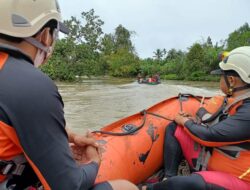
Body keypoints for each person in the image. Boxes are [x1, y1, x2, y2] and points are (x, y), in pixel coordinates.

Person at [0, 1, 138, 190]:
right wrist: (93, 161)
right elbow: (70, 186)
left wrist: (70, 136)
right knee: (125, 187)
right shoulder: (32, 85)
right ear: (44, 35)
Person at [141, 46, 250, 190]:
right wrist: (192, 120)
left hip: (240, 179)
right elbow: (222, 126)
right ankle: (169, 176)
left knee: (189, 183)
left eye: (221, 75)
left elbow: (209, 136)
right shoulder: (236, 100)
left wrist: (185, 121)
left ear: (231, 80)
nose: (219, 79)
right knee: (174, 128)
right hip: (216, 158)